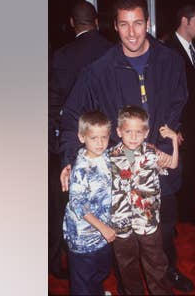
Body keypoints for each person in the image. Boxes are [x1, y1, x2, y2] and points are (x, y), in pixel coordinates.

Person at [59, 0, 195, 293]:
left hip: (159, 169)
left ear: (148, 23)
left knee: (164, 232)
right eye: (124, 25)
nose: (131, 33)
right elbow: (70, 114)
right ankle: (126, 288)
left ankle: (168, 272)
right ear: (115, 26)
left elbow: (178, 99)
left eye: (137, 23)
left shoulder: (170, 61)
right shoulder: (98, 70)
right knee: (125, 249)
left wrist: (169, 132)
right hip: (117, 176)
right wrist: (70, 158)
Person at [48, 0, 112, 279]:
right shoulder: (111, 50)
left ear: (73, 23)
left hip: (70, 141)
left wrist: (57, 146)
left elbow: (52, 103)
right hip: (104, 140)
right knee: (103, 198)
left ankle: (57, 262)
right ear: (96, 22)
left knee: (64, 204)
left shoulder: (60, 55)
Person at [108, 105, 178, 295]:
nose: (133, 136)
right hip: (120, 223)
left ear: (146, 133)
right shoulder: (109, 157)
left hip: (148, 220)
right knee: (126, 266)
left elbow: (172, 163)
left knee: (156, 263)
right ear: (118, 131)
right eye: (128, 131)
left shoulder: (152, 153)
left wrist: (173, 140)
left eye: (138, 132)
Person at [164, 5, 195, 227]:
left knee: (193, 169)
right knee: (181, 171)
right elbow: (166, 93)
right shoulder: (168, 50)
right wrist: (176, 128)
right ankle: (180, 214)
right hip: (181, 125)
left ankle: (188, 210)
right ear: (185, 21)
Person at [63, 111, 116, 295]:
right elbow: (77, 203)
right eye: (94, 138)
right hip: (83, 238)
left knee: (100, 273)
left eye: (104, 137)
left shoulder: (107, 155)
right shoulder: (80, 168)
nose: (100, 143)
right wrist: (103, 227)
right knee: (83, 283)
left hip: (102, 235)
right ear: (81, 137)